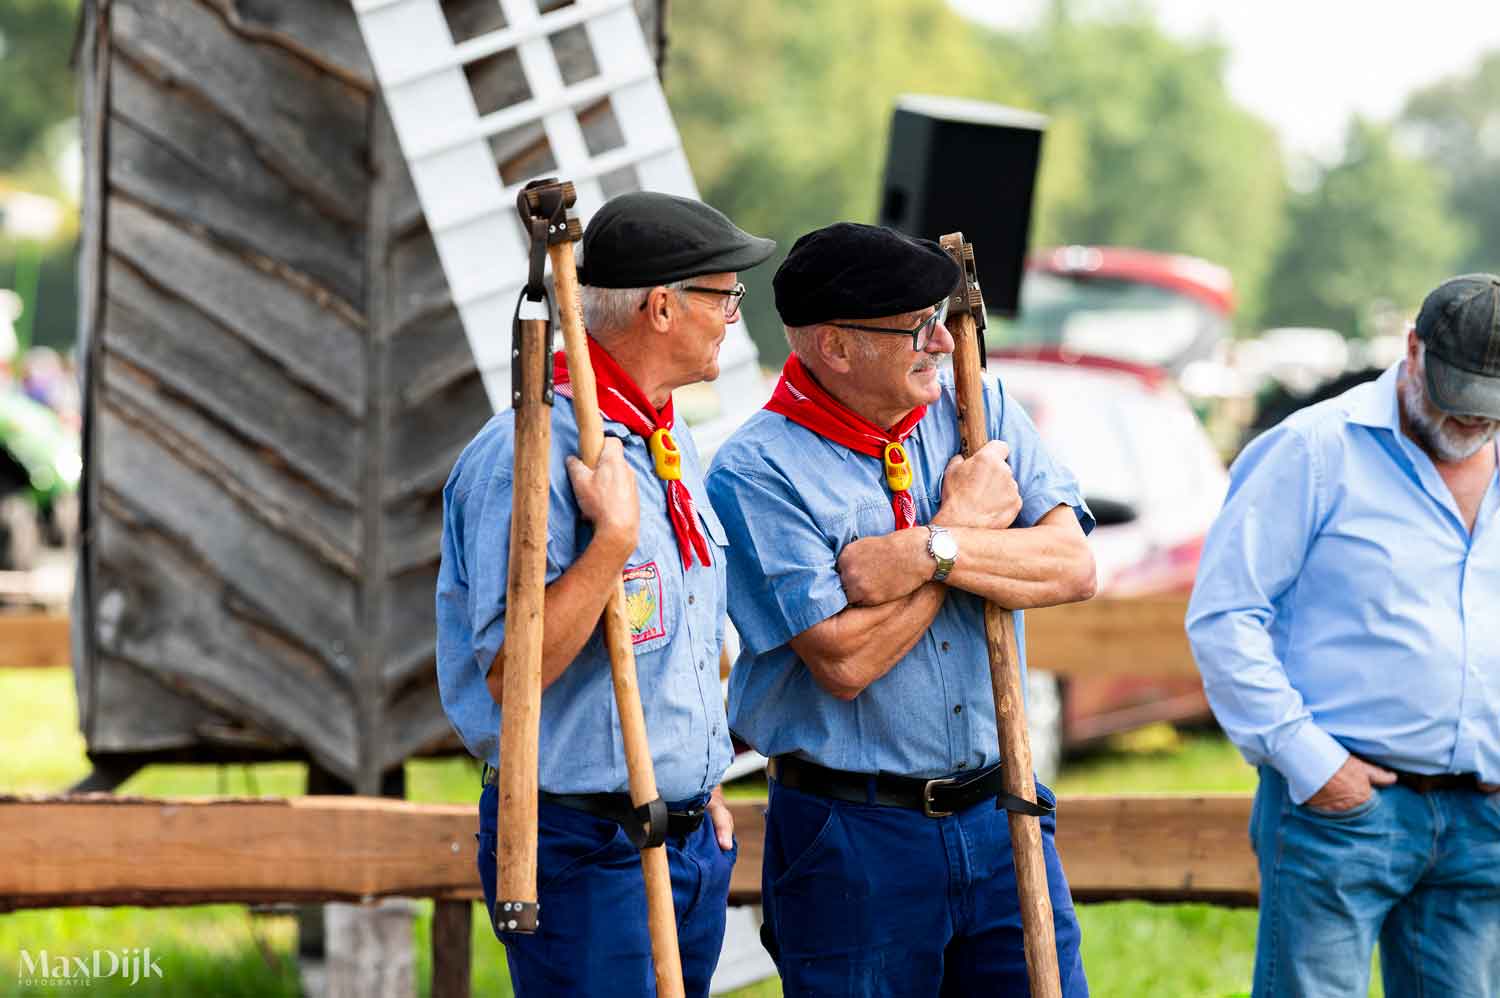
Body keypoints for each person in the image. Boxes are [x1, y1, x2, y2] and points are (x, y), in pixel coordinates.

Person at [705, 222, 1097, 996]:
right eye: (918, 329)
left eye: (943, 318)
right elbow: (845, 660)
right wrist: (965, 527)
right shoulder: (756, 471)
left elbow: (1073, 565)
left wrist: (929, 551)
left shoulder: (975, 406)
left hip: (1003, 809)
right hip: (854, 836)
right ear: (836, 348)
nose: (945, 345)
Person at [435, 191, 775, 996]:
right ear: (662, 306)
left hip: (680, 838)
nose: (734, 315)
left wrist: (696, 783)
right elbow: (508, 677)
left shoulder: (667, 437)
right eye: (724, 295)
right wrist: (609, 547)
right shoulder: (527, 456)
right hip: (583, 846)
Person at [1187, 274, 1500, 997]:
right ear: (1413, 349)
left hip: (1482, 819)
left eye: (1488, 414)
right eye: (1457, 404)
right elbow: (1226, 616)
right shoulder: (1310, 449)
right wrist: (1313, 763)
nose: (1469, 427)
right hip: (1341, 811)